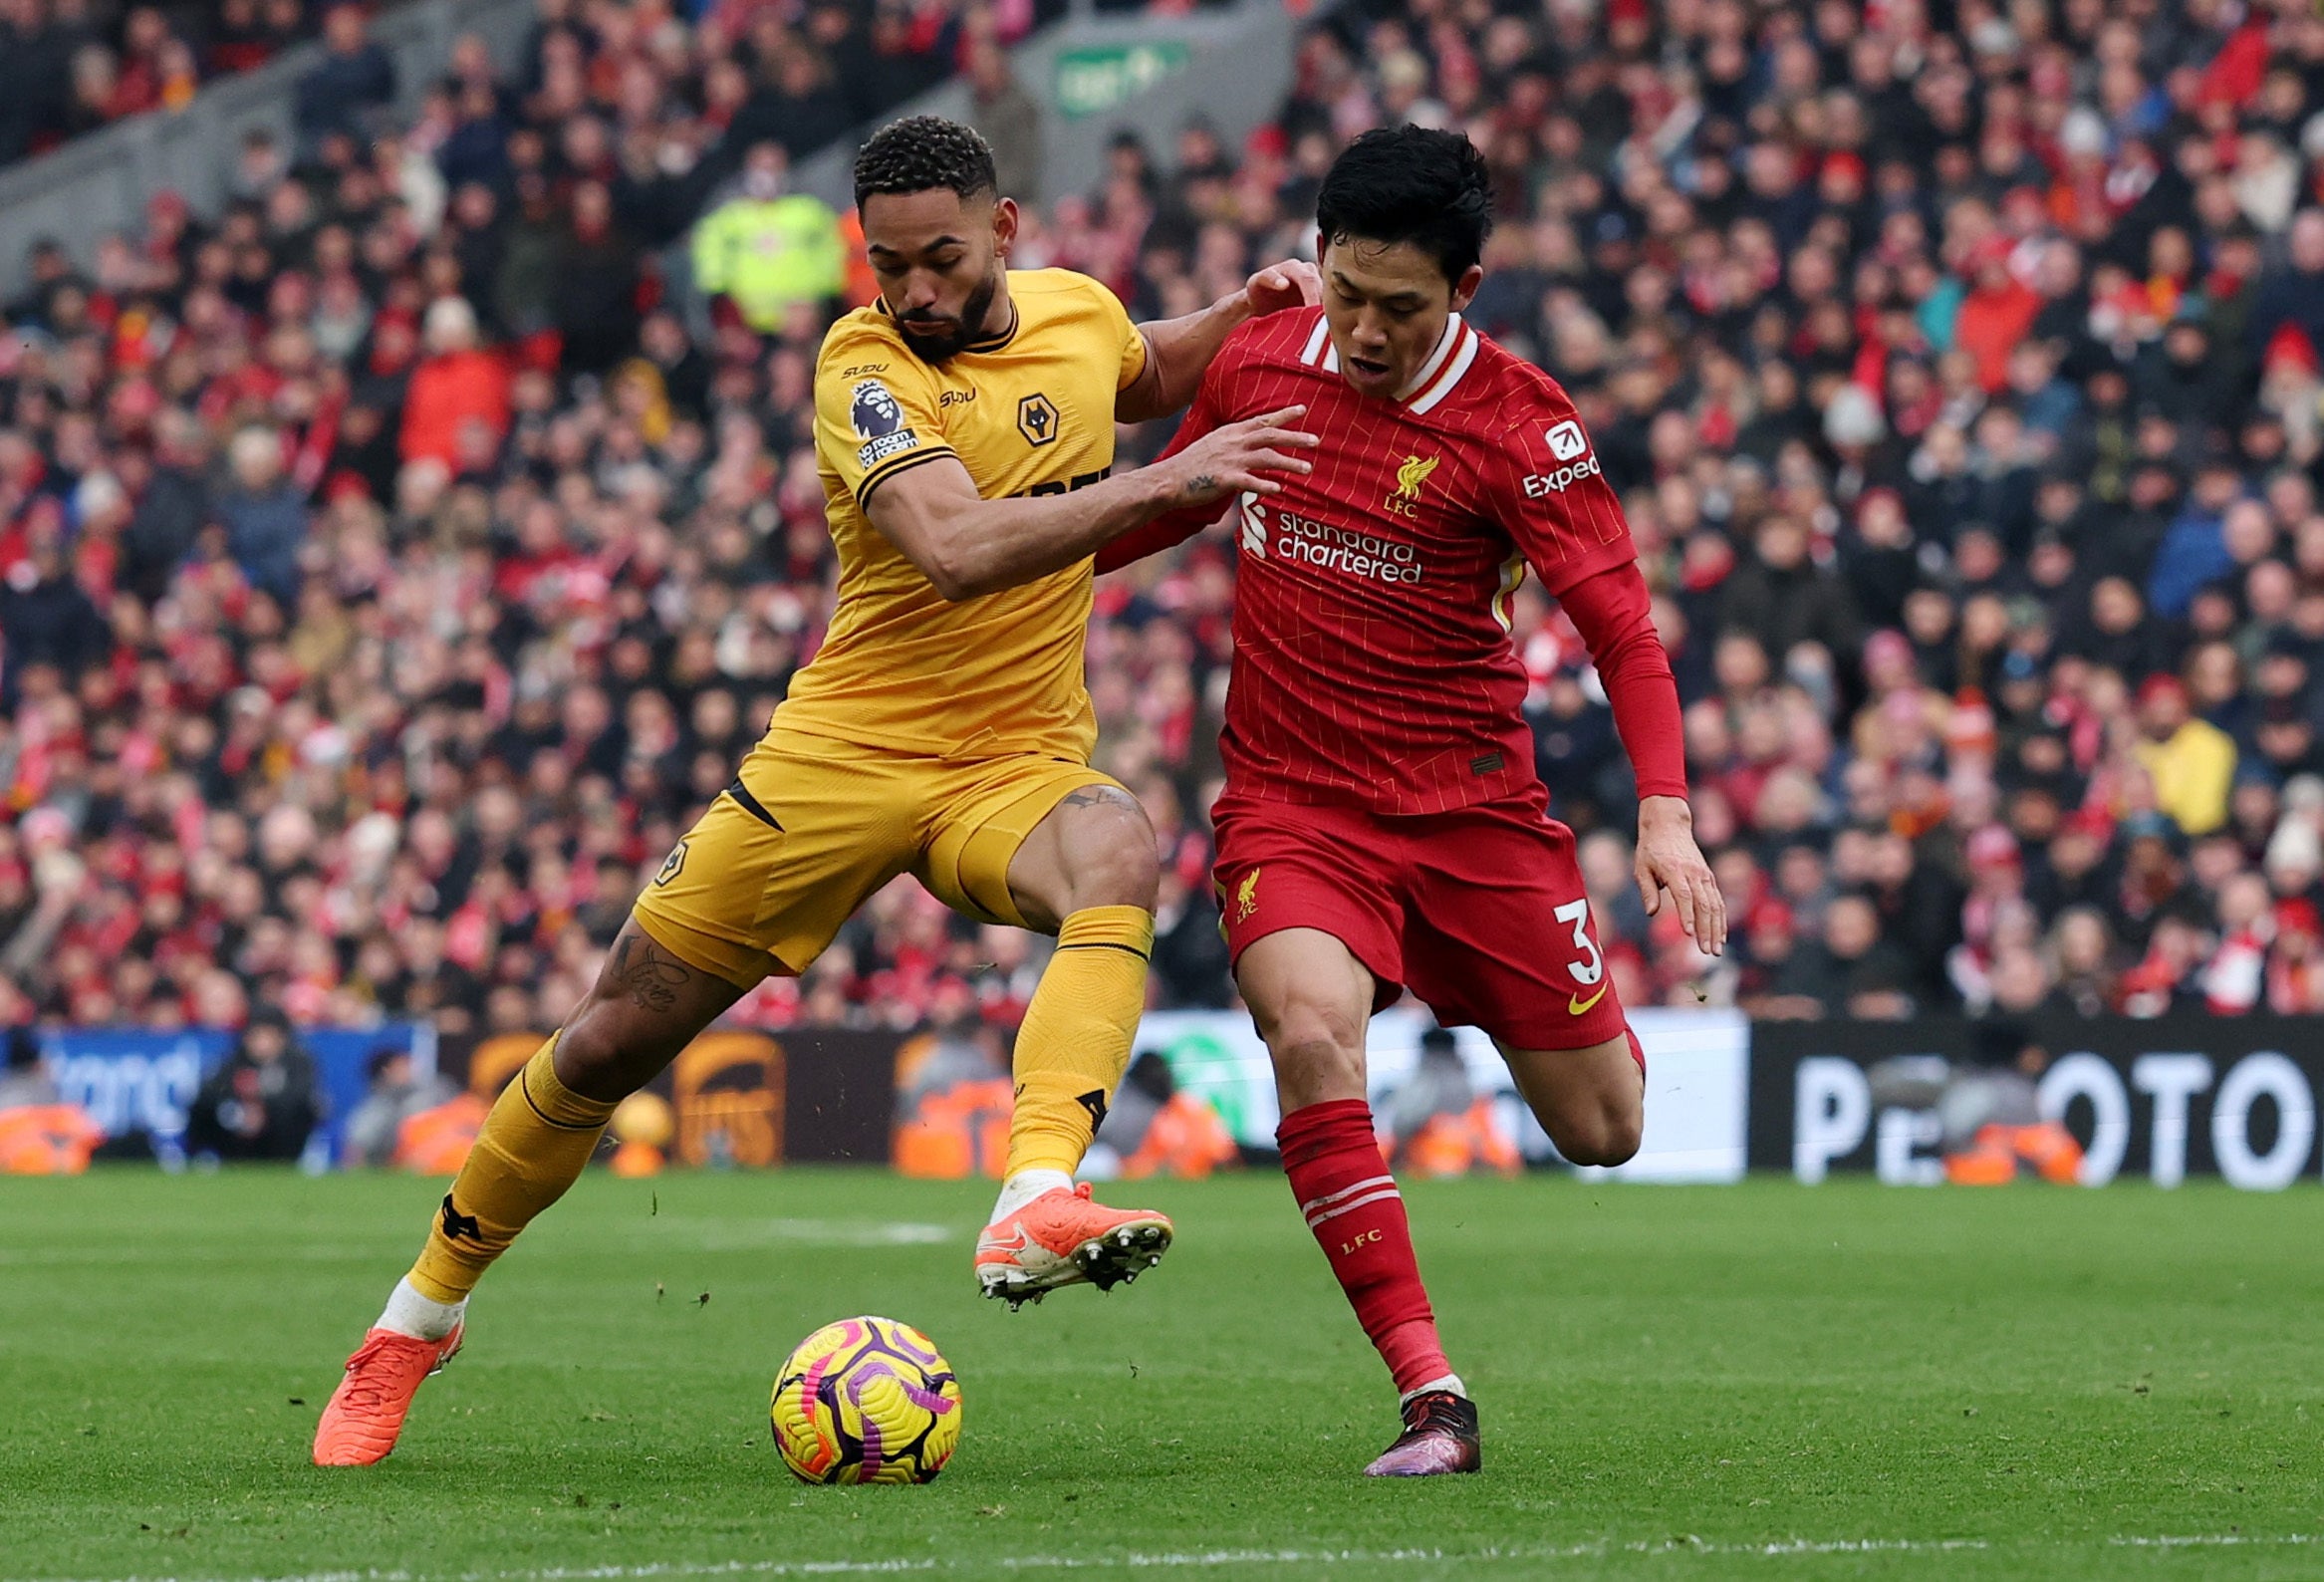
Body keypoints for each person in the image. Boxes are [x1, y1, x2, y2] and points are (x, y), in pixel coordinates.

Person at [313, 115, 1321, 1467]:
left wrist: (1240, 310)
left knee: (1118, 843)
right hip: (840, 759)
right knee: (610, 1040)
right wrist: (1182, 478)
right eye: (888, 263)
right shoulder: (859, 365)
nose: (912, 292)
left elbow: (1136, 372)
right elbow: (958, 548)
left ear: (1005, 234)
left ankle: (1035, 1193)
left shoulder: (1076, 313)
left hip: (1009, 765)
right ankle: (411, 1324)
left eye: (941, 260)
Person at [1099, 127, 1724, 1475]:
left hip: (1472, 821)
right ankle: (1432, 1397)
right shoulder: (1259, 359)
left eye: (1403, 305)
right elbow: (1157, 508)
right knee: (1311, 1034)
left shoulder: (1521, 426)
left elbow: (1623, 631)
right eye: (1347, 291)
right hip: (1295, 808)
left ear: (1468, 289)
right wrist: (997, 538)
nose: (1367, 330)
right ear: (1315, 259)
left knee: (1603, 1131)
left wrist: (1663, 814)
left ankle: (1497, 992)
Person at [183, 1008, 324, 1164]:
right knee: (201, 1110)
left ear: (281, 1038)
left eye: (267, 1036)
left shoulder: (297, 1062)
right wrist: (238, 1109)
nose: (261, 1043)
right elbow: (209, 1093)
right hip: (237, 1134)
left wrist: (265, 1106)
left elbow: (302, 1096)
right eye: (255, 1036)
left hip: (279, 1136)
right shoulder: (235, 1060)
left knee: (301, 1113)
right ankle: (202, 1159)